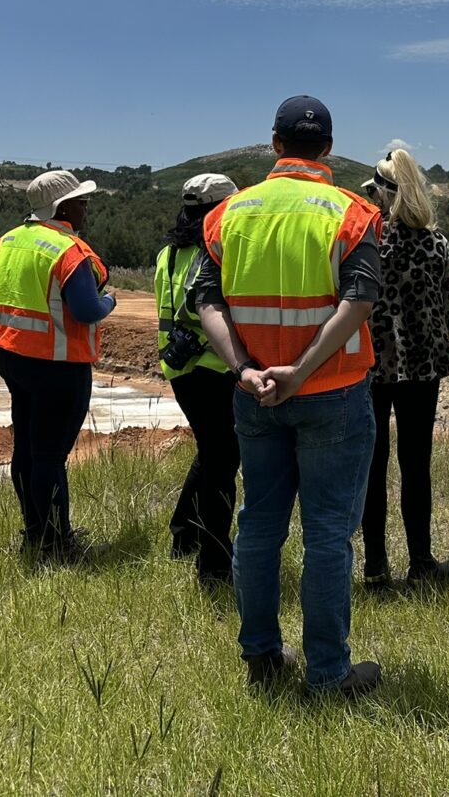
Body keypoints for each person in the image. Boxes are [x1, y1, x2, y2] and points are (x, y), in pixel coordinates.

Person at [193, 95, 383, 697]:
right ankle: (329, 672)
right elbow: (360, 300)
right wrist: (299, 372)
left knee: (259, 523)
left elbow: (206, 300)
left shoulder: (227, 215)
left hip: (256, 397)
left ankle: (261, 659)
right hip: (333, 392)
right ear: (327, 148)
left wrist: (245, 369)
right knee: (327, 532)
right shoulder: (352, 214)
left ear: (274, 145)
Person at [0, 170, 116, 561]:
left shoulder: (11, 240)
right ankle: (56, 542)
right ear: (62, 207)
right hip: (60, 365)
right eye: (82, 202)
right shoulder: (69, 251)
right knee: (49, 456)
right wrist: (109, 303)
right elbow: (85, 310)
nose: (85, 209)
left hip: (14, 357)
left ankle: (34, 533)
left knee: (26, 452)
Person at [362, 149, 449, 587]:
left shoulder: (366, 241)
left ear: (383, 195)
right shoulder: (435, 242)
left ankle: (375, 566)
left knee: (373, 466)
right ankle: (420, 562)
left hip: (372, 365)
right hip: (423, 367)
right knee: (416, 465)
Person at [155, 173, 240, 589]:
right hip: (216, 369)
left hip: (180, 370)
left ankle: (183, 533)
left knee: (211, 452)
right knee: (223, 463)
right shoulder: (216, 253)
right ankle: (214, 564)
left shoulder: (168, 254)